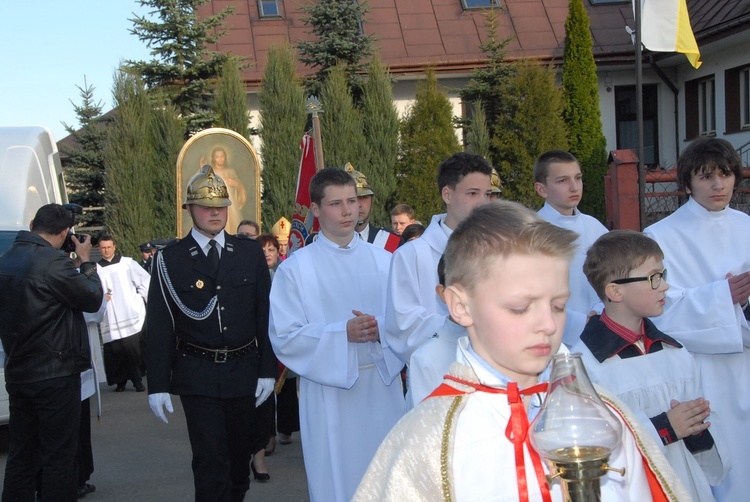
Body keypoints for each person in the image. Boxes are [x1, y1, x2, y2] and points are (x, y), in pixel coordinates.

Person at [354, 201, 691, 501]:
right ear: (459, 306)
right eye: (520, 307)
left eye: (559, 305)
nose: (547, 324)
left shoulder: (603, 414)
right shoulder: (427, 441)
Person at [269, 167, 406, 502]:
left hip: (381, 387)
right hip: (328, 393)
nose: (348, 211)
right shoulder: (296, 268)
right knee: (337, 483)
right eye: (336, 203)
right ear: (315, 209)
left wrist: (381, 330)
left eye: (353, 201)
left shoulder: (384, 261)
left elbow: (406, 323)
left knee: (387, 479)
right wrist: (340, 333)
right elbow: (285, 337)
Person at [146, 165, 276, 502]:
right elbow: (159, 324)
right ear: (189, 209)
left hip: (244, 370)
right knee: (209, 460)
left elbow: (265, 316)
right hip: (197, 373)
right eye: (206, 206)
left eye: (220, 206)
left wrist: (266, 370)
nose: (215, 213)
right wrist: (158, 383)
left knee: (237, 462)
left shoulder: (248, 253)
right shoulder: (170, 260)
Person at [571, 230, 729, 501]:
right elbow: (589, 454)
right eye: (654, 278)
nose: (665, 286)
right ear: (615, 291)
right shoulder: (585, 367)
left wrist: (696, 428)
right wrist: (663, 429)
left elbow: (705, 458)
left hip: (687, 486)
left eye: (663, 275)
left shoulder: (675, 353)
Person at [643, 137, 750, 501]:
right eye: (706, 177)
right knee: (718, 467)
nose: (718, 185)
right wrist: (723, 298)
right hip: (701, 370)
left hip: (746, 362)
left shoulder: (746, 225)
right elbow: (659, 308)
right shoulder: (660, 236)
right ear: (687, 183)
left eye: (725, 175)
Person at [0, 204, 103, 502]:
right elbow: (93, 298)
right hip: (55, 373)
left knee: (22, 454)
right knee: (59, 457)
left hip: (19, 371)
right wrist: (86, 262)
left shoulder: (6, 260)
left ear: (33, 224)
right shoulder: (53, 263)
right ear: (64, 233)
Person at [386, 151, 492, 363]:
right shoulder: (411, 255)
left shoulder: (499, 250)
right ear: (447, 195)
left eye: (487, 194)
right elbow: (402, 325)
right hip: (439, 374)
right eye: (472, 193)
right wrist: (463, 323)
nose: (482, 203)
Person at [534, 150, 608, 346]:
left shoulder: (595, 227)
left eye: (578, 178)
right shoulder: (530, 232)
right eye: (562, 181)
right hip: (553, 337)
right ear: (542, 189)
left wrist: (600, 312)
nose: (574, 187)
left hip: (602, 325)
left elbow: (616, 275)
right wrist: (579, 322)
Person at [405, 255, 468, 409]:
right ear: (443, 294)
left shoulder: (502, 346)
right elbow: (424, 427)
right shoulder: (426, 359)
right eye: (462, 289)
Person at [97, 235, 150, 393]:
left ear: (114, 247)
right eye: (103, 248)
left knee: (132, 349)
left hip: (129, 313)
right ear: (99, 249)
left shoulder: (127, 263)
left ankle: (137, 380)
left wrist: (141, 298)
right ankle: (120, 382)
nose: (106, 250)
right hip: (110, 316)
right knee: (115, 351)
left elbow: (145, 280)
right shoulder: (96, 269)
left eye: (109, 247)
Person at [346, 163, 401, 253]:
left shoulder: (391, 241)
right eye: (353, 199)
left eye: (364, 198)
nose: (359, 204)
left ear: (372, 200)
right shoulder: (325, 243)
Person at [209, 146, 247, 233]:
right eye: (217, 157)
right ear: (213, 158)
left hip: (230, 206)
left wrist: (234, 183)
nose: (220, 159)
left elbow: (239, 186)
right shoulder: (210, 172)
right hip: (215, 203)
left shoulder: (231, 171)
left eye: (222, 156)